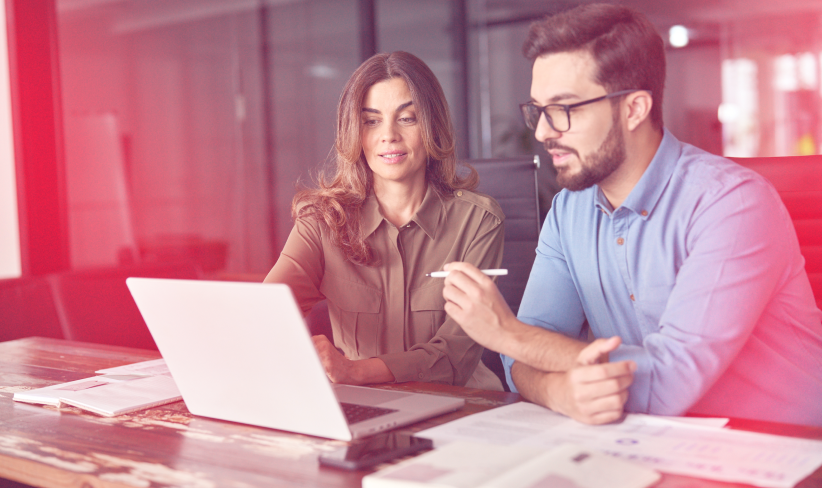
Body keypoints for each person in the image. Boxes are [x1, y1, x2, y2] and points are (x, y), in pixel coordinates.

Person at [441, 3, 822, 425]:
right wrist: (558, 391)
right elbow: (523, 361)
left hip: (786, 449)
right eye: (537, 110)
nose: (543, 131)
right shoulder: (570, 211)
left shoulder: (733, 204)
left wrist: (506, 333)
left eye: (564, 109)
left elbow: (667, 383)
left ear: (635, 109)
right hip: (659, 445)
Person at [264, 51, 505, 391]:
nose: (388, 135)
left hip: (460, 404)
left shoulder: (478, 221)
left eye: (407, 118)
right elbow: (266, 313)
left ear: (432, 125)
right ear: (354, 131)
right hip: (362, 406)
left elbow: (456, 353)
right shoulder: (320, 221)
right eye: (371, 121)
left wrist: (356, 372)